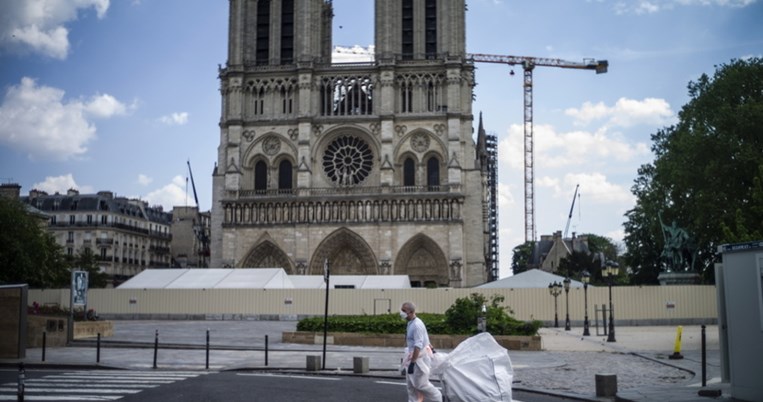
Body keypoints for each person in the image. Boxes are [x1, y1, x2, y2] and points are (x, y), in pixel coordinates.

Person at [400, 301, 442, 402]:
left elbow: (418, 346)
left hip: (418, 360)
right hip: (412, 357)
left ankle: (437, 397)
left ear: (410, 311)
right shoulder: (411, 322)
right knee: (411, 385)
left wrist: (412, 363)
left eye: (403, 310)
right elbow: (425, 338)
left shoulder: (416, 325)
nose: (401, 312)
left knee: (420, 384)